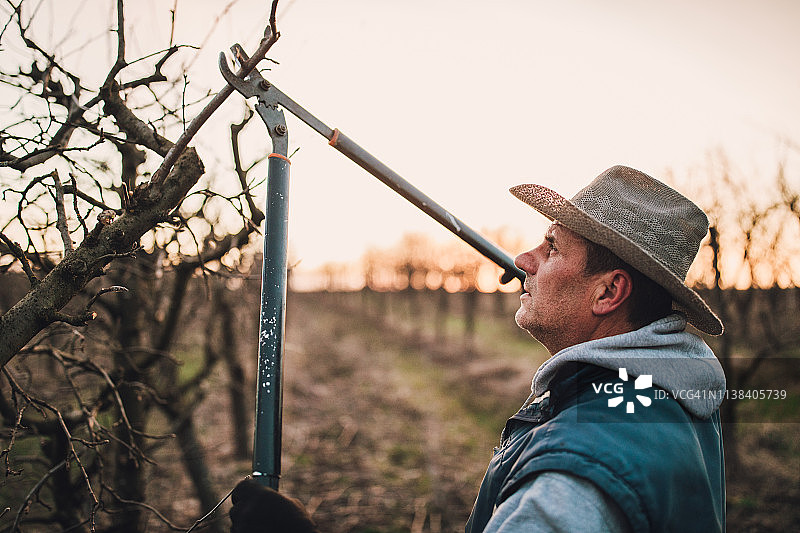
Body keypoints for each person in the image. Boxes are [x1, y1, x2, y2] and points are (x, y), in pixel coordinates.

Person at [229, 165, 726, 533]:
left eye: (552, 247)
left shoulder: (575, 473)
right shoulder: (664, 398)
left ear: (608, 293)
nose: (523, 259)